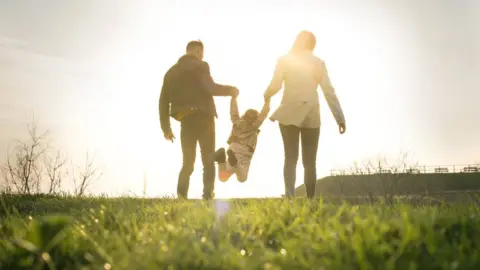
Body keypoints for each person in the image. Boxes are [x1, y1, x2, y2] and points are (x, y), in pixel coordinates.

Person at [264, 31, 346, 198]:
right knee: (309, 162)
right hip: (311, 114)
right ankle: (310, 200)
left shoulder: (285, 60)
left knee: (290, 158)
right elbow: (329, 92)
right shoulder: (318, 63)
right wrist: (340, 118)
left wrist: (267, 95)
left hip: (289, 113)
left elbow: (275, 85)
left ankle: (289, 198)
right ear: (313, 45)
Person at [159, 40, 239, 200]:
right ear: (197, 51)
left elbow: (163, 102)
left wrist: (166, 128)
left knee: (187, 163)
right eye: (201, 53)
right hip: (204, 119)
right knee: (208, 160)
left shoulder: (171, 72)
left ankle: (182, 198)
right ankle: (207, 197)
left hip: (186, 120)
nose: (202, 57)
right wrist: (231, 90)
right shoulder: (201, 66)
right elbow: (210, 87)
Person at [213, 95, 270, 182]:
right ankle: (235, 163)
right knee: (242, 178)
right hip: (245, 154)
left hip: (233, 149)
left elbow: (234, 112)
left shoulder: (236, 122)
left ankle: (221, 159)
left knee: (223, 178)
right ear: (255, 119)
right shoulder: (254, 126)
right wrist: (267, 102)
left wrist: (234, 98)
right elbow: (263, 115)